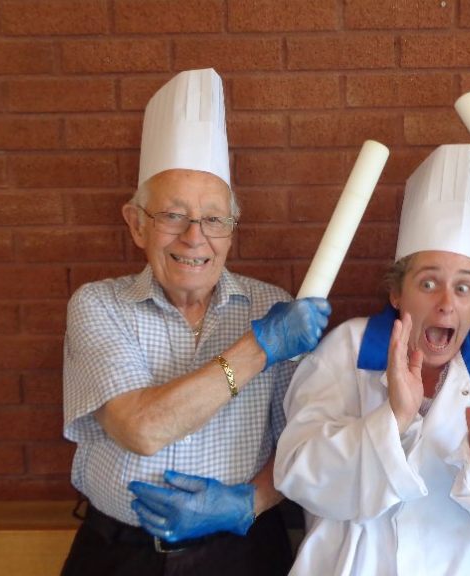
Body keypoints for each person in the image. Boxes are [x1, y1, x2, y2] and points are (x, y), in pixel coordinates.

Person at [60, 68, 331, 576]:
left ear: (231, 229)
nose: (194, 237)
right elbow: (141, 429)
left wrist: (249, 502)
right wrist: (261, 346)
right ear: (136, 224)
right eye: (172, 216)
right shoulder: (97, 305)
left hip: (243, 553)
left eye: (213, 219)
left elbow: (305, 442)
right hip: (118, 557)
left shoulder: (273, 303)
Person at [274, 144, 470, 575]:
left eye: (463, 287)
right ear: (396, 293)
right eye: (429, 283)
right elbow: (298, 471)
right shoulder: (347, 348)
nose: (447, 304)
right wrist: (393, 420)